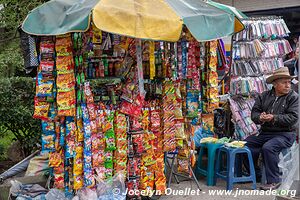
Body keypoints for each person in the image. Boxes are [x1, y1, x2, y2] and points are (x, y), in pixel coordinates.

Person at [245, 67, 298, 190]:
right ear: (275, 84)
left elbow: (293, 118)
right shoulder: (264, 96)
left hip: (285, 134)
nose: (287, 85)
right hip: (265, 133)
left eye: (289, 82)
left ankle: (274, 181)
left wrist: (274, 117)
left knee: (269, 147)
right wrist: (261, 117)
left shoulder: (293, 97)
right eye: (284, 82)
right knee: (245, 144)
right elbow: (254, 114)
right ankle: (255, 174)